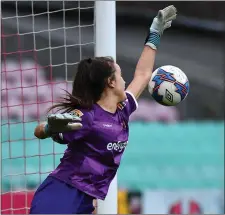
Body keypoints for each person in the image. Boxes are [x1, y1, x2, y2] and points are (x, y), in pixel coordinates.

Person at [30, 5, 177, 214]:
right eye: (119, 74)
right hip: (61, 196)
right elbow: (40, 131)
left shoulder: (122, 109)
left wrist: (154, 34)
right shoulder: (88, 118)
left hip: (83, 202)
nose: (124, 78)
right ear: (110, 82)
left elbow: (143, 74)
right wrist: (49, 128)